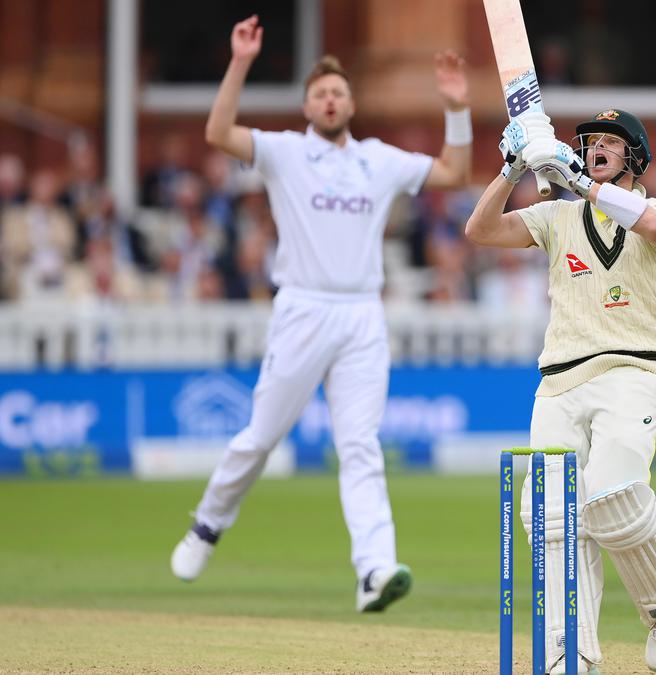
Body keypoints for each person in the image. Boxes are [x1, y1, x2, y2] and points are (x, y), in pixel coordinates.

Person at [169, 15, 473, 613]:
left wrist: (457, 109)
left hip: (362, 314)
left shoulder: (378, 161)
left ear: (351, 103)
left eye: (338, 92)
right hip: (303, 309)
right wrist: (240, 62)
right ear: (308, 105)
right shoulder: (284, 153)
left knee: (360, 445)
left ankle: (374, 571)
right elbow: (218, 131)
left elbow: (454, 173)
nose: (330, 100)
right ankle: (206, 525)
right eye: (319, 94)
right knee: (260, 437)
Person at [464, 109, 656, 673]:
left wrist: (584, 184)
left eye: (611, 144)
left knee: (614, 496)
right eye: (590, 143)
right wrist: (510, 167)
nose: (596, 150)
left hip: (632, 369)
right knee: (549, 516)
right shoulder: (556, 216)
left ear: (636, 158)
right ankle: (572, 650)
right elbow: (480, 231)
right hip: (559, 380)